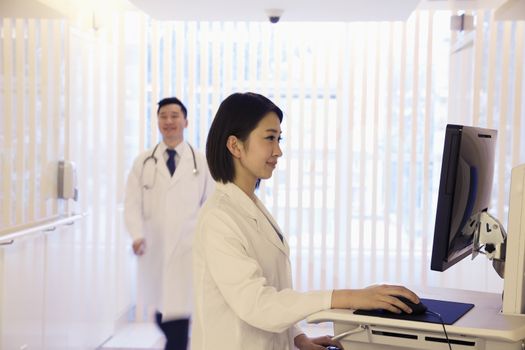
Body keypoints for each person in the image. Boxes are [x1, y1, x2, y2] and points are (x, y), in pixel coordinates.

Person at [191, 92, 421, 350]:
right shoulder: (219, 219)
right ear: (235, 146)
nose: (278, 150)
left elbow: (274, 289)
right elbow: (258, 304)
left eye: (279, 139)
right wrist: (349, 298)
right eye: (269, 138)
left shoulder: (249, 206)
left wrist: (298, 338)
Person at [124, 97, 214, 350]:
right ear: (157, 122)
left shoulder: (201, 161)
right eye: (163, 116)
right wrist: (136, 235)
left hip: (189, 246)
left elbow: (211, 204)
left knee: (178, 313)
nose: (169, 121)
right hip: (155, 245)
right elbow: (131, 203)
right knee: (163, 310)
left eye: (175, 116)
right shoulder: (143, 162)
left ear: (185, 121)